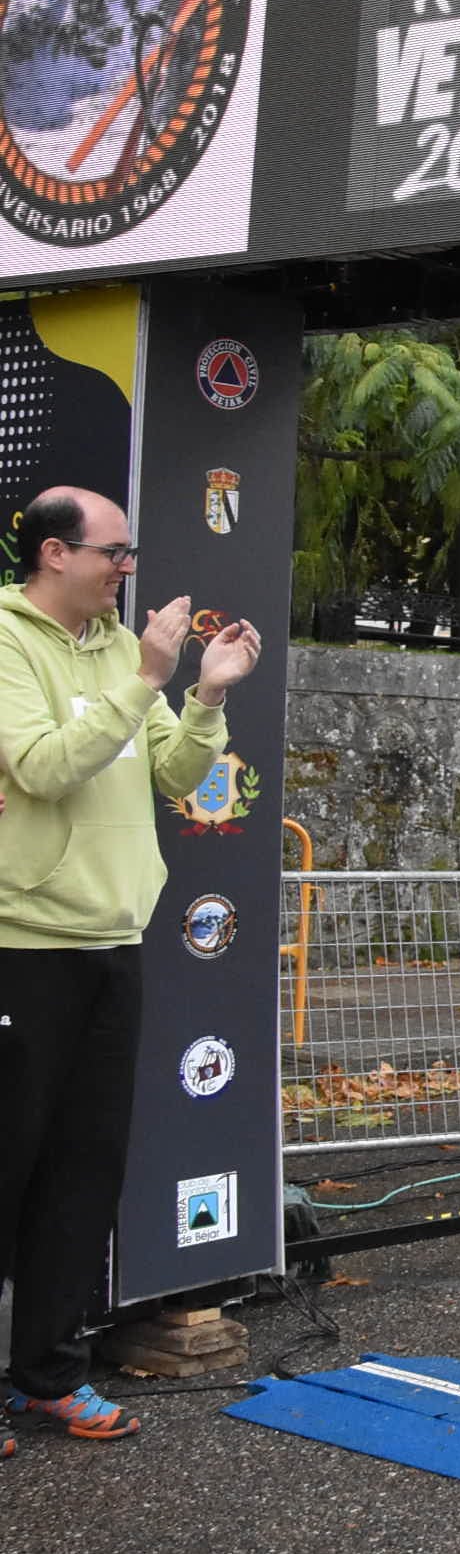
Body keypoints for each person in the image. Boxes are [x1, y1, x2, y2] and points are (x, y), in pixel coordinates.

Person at [0, 487, 261, 1449]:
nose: (129, 567)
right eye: (116, 551)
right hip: (18, 946)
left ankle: (49, 1377)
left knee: (80, 1174)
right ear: (56, 554)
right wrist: (147, 675)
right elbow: (42, 765)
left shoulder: (119, 647)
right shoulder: (6, 640)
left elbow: (177, 778)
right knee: (4, 1169)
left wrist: (206, 694)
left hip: (113, 942)